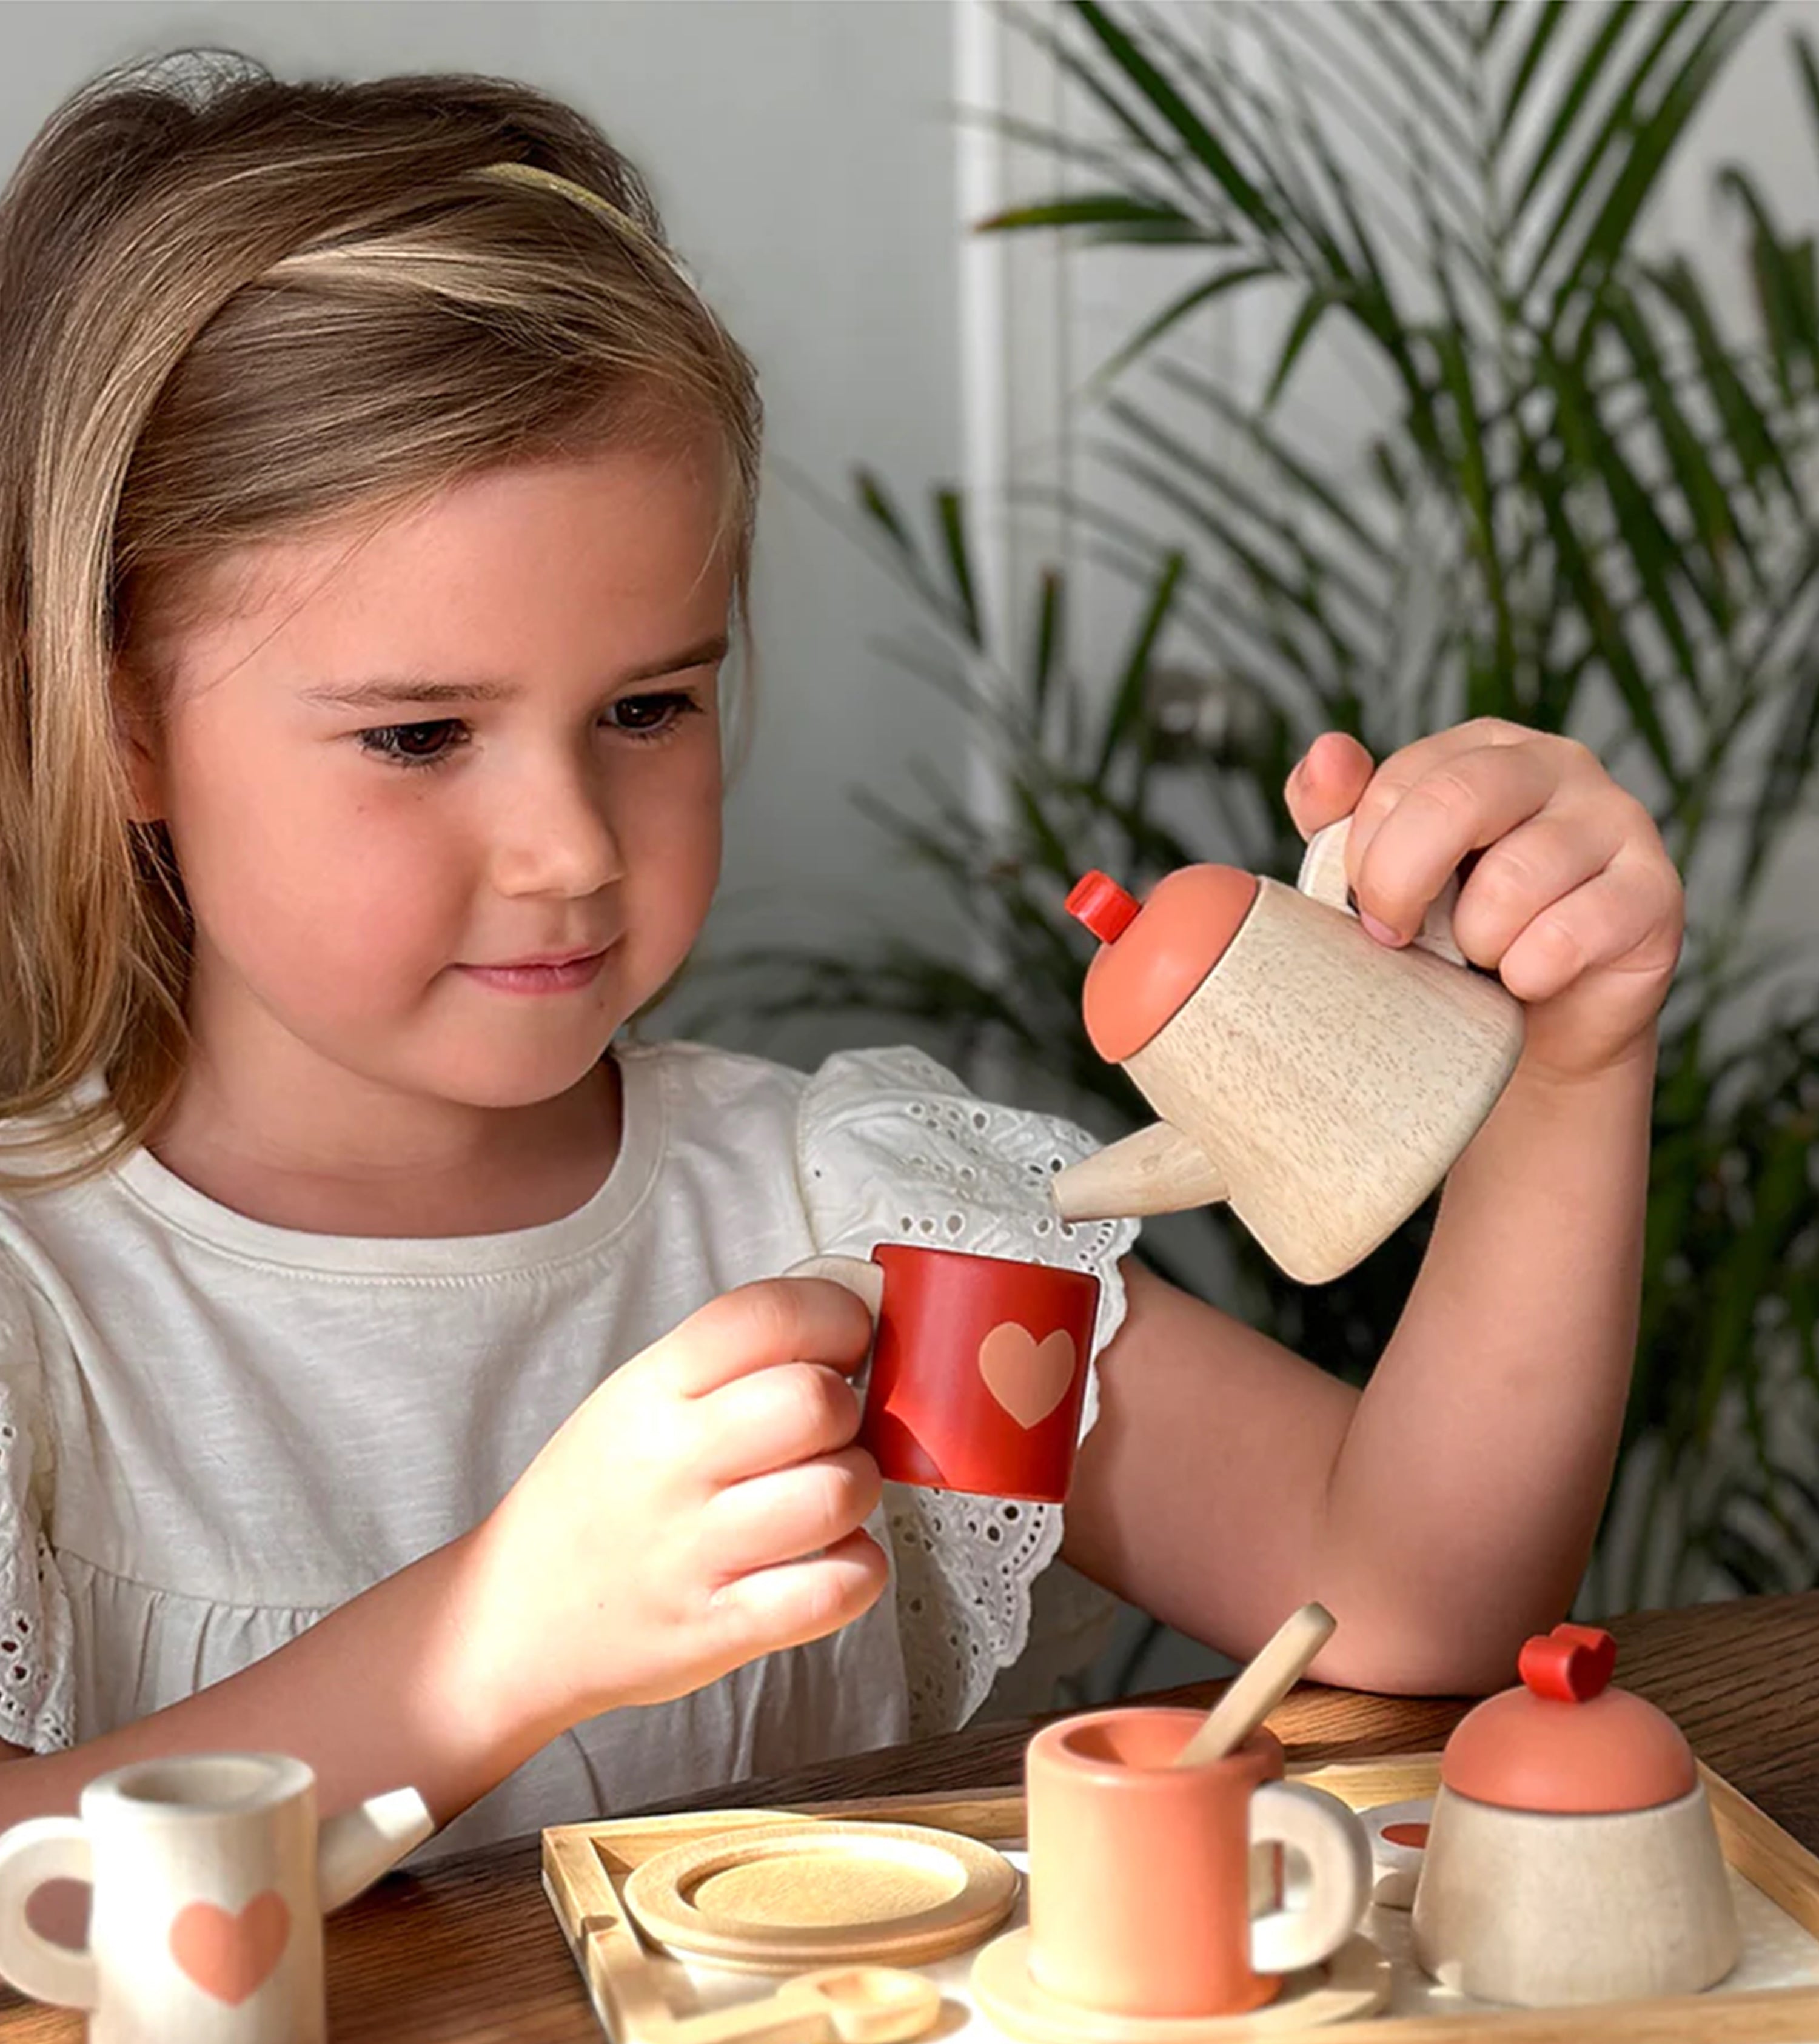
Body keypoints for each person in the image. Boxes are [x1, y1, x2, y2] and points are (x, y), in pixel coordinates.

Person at [0, 55, 1683, 1853]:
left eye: (648, 704)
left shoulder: (855, 1240)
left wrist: (1572, 1067)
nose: (571, 845)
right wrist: (485, 1650)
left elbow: (1410, 1600)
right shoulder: (43, 1315)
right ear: (115, 730)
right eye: (419, 737)